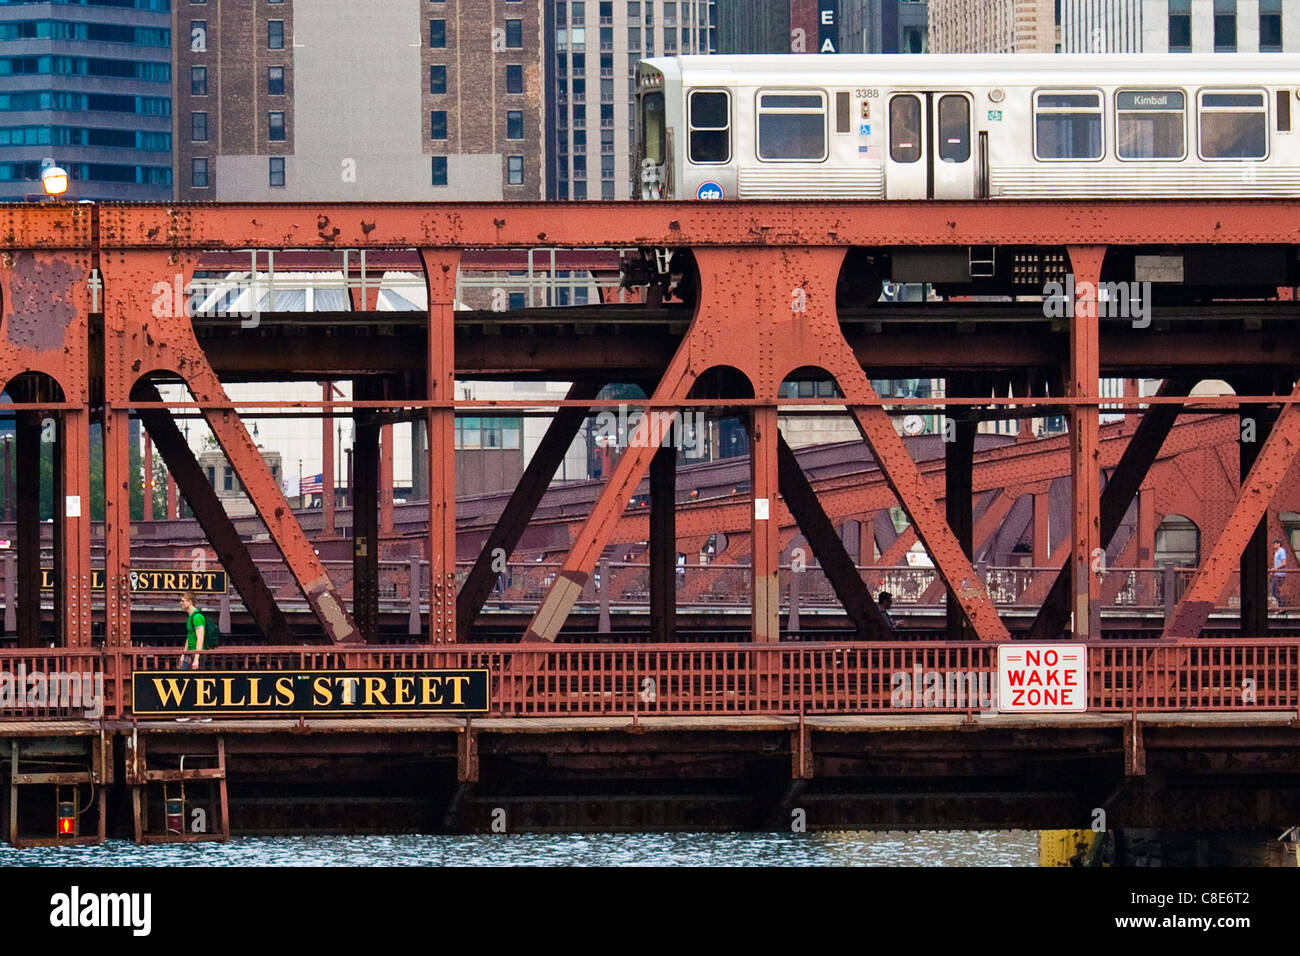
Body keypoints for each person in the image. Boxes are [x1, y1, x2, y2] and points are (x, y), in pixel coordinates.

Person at [178, 591, 207, 671]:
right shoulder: (191, 616)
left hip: (196, 653)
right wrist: (183, 654)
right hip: (190, 652)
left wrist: (196, 659)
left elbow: (200, 638)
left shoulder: (197, 617)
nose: (181, 603)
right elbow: (189, 636)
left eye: (183, 601)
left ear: (190, 602)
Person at [1273, 539, 1288, 606]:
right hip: (1277, 574)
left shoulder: (1282, 551)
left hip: (1280, 574)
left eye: (1275, 543)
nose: (1274, 545)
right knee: (1275, 591)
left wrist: (1275, 569)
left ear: (1278, 544)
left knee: (1275, 591)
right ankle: (1281, 607)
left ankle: (1282, 606)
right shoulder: (1277, 552)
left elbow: (1284, 563)